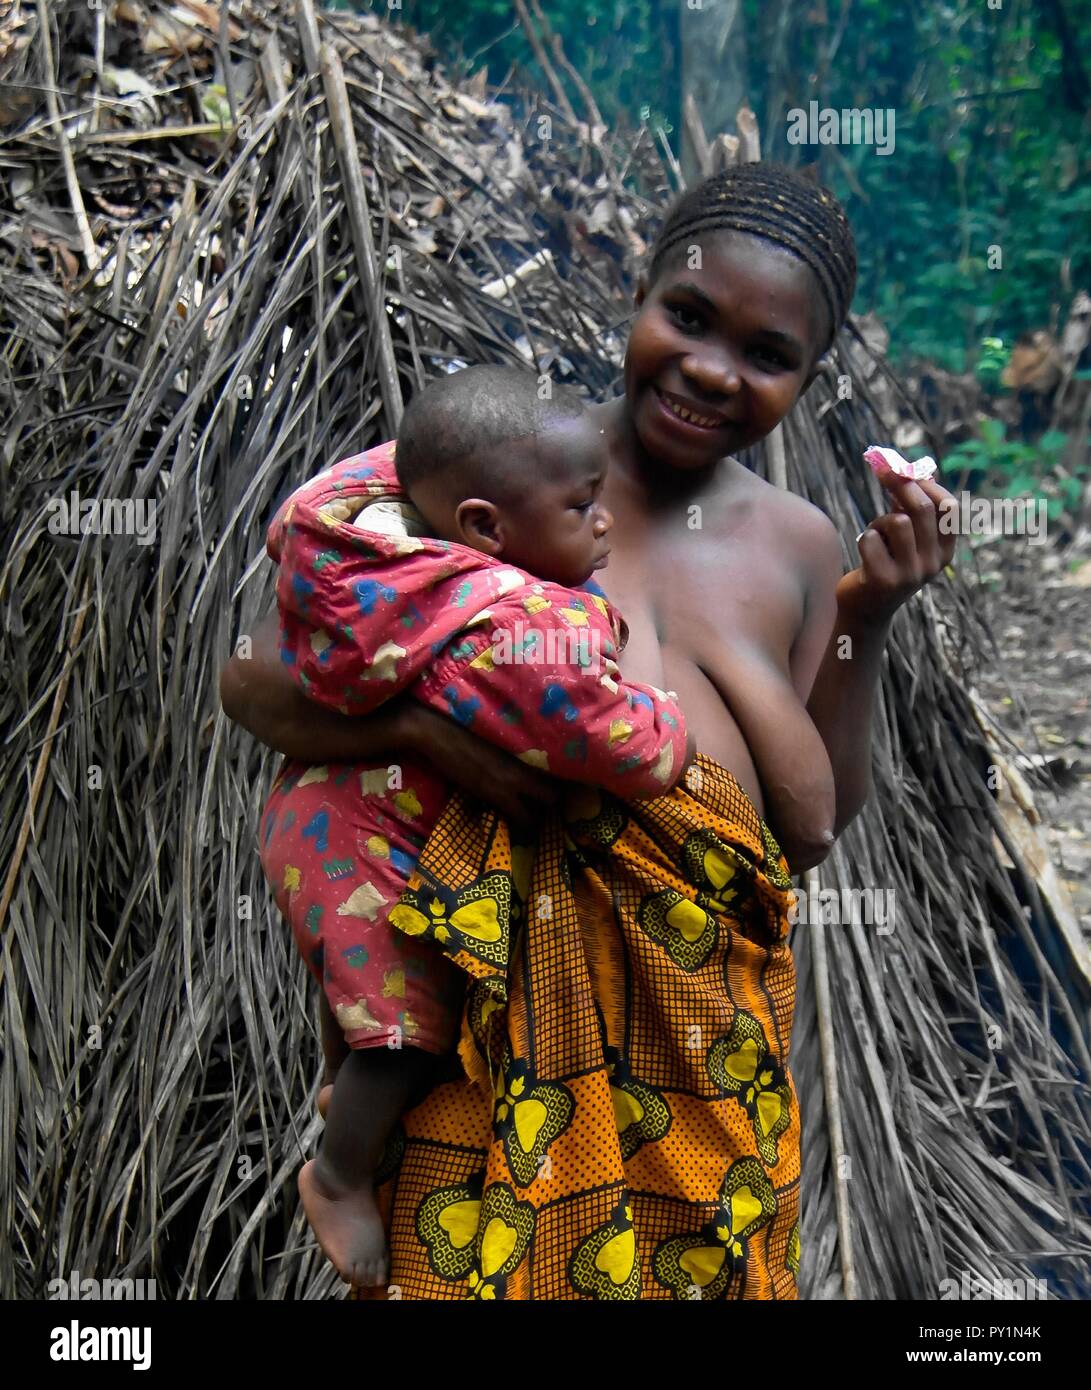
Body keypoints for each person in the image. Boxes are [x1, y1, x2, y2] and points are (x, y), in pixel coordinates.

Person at [221, 162, 957, 1299]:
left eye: (766, 356)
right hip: (488, 1040)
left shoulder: (801, 546)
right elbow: (255, 679)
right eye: (688, 316)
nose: (711, 369)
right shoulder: (497, 465)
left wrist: (870, 614)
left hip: (697, 1060)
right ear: (640, 295)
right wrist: (431, 730)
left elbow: (809, 828)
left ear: (808, 380)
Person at [260, 366, 692, 1287]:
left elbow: (365, 478)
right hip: (365, 837)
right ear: (485, 528)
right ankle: (337, 1174)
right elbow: (622, 745)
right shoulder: (511, 623)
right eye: (582, 507)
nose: (602, 522)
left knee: (370, 1002)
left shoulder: (358, 556)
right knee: (405, 1033)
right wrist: (669, 721)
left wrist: (454, 456)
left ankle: (349, 1105)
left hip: (328, 821)